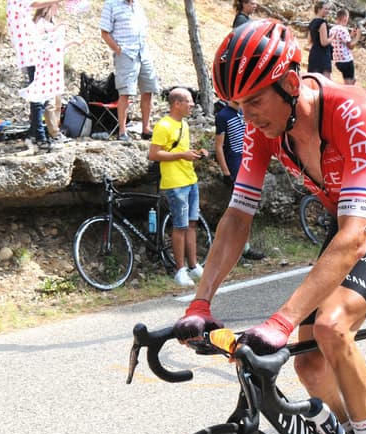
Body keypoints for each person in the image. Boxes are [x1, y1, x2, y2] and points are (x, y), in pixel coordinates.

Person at [176, 19, 366, 434]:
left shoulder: (352, 111)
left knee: (331, 326)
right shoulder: (264, 130)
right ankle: (350, 428)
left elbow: (354, 239)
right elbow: (238, 217)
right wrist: (201, 301)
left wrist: (281, 319)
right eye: (239, 105)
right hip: (350, 215)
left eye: (254, 100)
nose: (247, 116)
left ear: (292, 83)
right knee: (309, 364)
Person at [147, 88, 209, 286]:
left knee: (191, 223)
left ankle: (193, 265)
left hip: (190, 180)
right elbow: (154, 154)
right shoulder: (163, 125)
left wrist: (196, 153)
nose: (192, 105)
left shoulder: (183, 124)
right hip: (176, 184)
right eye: (189, 101)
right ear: (177, 104)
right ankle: (179, 269)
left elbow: (181, 151)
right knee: (180, 226)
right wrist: (181, 155)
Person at [100, 0, 159, 142]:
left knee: (148, 89)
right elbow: (104, 32)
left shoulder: (137, 5)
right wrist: (118, 49)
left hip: (142, 52)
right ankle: (122, 132)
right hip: (126, 53)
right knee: (125, 92)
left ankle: (146, 129)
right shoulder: (111, 4)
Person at [214, 101, 266, 260]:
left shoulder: (245, 112)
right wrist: (225, 172)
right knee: (238, 210)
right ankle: (234, 250)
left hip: (247, 163)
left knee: (248, 209)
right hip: (235, 164)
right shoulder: (223, 115)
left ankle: (246, 247)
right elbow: (218, 146)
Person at [6, 0, 61, 150]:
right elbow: (36, 3)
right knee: (38, 96)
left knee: (37, 95)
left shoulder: (15, 7)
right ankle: (40, 138)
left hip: (31, 53)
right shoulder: (19, 3)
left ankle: (33, 134)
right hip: (32, 54)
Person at [30, 3, 80, 145]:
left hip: (56, 65)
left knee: (57, 101)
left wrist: (71, 43)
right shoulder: (39, 23)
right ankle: (53, 132)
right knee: (49, 102)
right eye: (56, 6)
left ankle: (55, 130)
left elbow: (57, 46)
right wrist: (55, 29)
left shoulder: (52, 22)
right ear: (48, 7)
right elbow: (41, 42)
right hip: (45, 66)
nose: (58, 9)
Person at [328, 8, 361, 85]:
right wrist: (357, 37)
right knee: (349, 84)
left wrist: (351, 35)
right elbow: (350, 46)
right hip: (346, 60)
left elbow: (342, 42)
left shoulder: (333, 29)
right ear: (345, 18)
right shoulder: (343, 30)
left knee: (350, 81)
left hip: (338, 61)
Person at [307, 2, 332, 78]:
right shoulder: (322, 23)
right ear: (319, 9)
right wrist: (333, 37)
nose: (327, 11)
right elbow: (324, 43)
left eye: (328, 9)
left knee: (313, 82)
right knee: (325, 83)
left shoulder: (312, 22)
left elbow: (309, 41)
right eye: (325, 9)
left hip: (313, 54)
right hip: (323, 56)